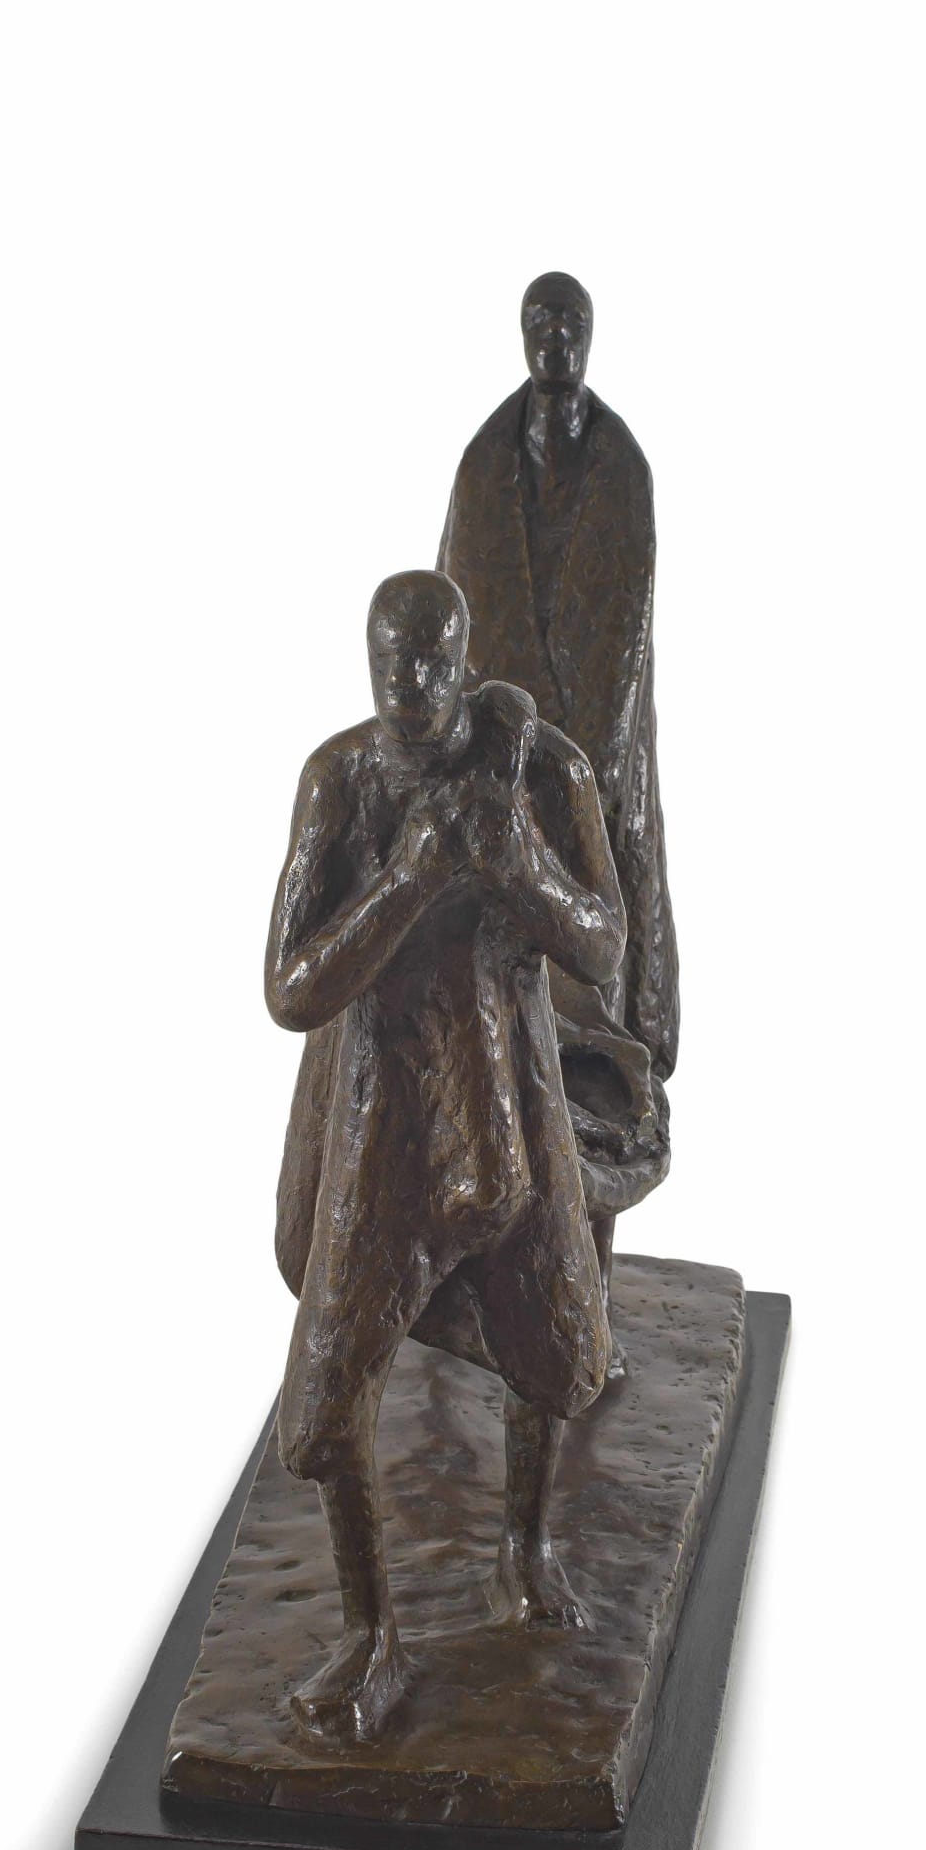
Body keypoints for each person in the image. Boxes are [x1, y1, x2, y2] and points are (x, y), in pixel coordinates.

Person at [267, 569, 626, 1741]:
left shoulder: (540, 771)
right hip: (386, 1106)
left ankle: (522, 1546)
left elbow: (602, 948)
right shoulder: (343, 781)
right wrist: (409, 878)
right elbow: (291, 988)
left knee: (556, 1352)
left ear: (465, 665)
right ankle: (368, 1629)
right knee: (329, 1397)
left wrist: (518, 865)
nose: (410, 690)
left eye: (430, 668)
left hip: (510, 1090)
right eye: (391, 671)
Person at [439, 271, 679, 1369]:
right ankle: (480, 1285)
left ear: (587, 340)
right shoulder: (483, 466)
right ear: (522, 337)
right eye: (539, 324)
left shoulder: (619, 471)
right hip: (501, 783)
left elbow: (619, 643)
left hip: (591, 782)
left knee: (598, 1017)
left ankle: (588, 1284)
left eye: (569, 326)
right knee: (486, 1020)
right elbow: (456, 611)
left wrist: (575, 775)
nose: (554, 342)